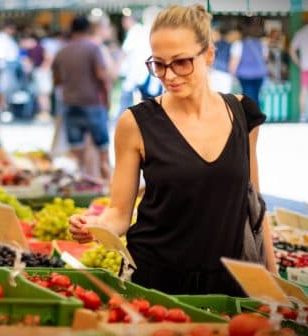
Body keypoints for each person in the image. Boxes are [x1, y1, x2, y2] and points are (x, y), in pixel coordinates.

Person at [68, 4, 276, 296]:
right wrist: (95, 226)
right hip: (156, 281)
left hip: (229, 283)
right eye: (159, 64)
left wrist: (273, 276)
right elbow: (118, 213)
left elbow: (255, 202)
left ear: (210, 55)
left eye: (181, 62)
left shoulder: (243, 114)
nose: (169, 76)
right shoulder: (135, 123)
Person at [52, 15, 110, 181]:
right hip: (92, 103)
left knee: (77, 153)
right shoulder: (93, 48)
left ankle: (81, 185)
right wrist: (106, 97)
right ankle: (107, 187)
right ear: (87, 29)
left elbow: (56, 81)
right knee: (102, 150)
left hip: (70, 104)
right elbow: (101, 75)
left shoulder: (62, 51)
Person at [229, 22, 268, 105]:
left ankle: (250, 116)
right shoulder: (261, 44)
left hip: (245, 75)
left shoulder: (238, 44)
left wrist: (232, 75)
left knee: (248, 99)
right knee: (256, 97)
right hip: (260, 74)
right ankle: (256, 115)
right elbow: (265, 58)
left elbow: (234, 62)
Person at [0, 22, 20, 113]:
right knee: (3, 88)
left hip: (11, 67)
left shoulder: (8, 38)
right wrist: (9, 62)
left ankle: (7, 108)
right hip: (5, 67)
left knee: (9, 88)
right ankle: (2, 108)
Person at [209, 26, 232, 93]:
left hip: (214, 71)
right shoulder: (230, 45)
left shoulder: (214, 44)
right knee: (224, 97)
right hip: (225, 73)